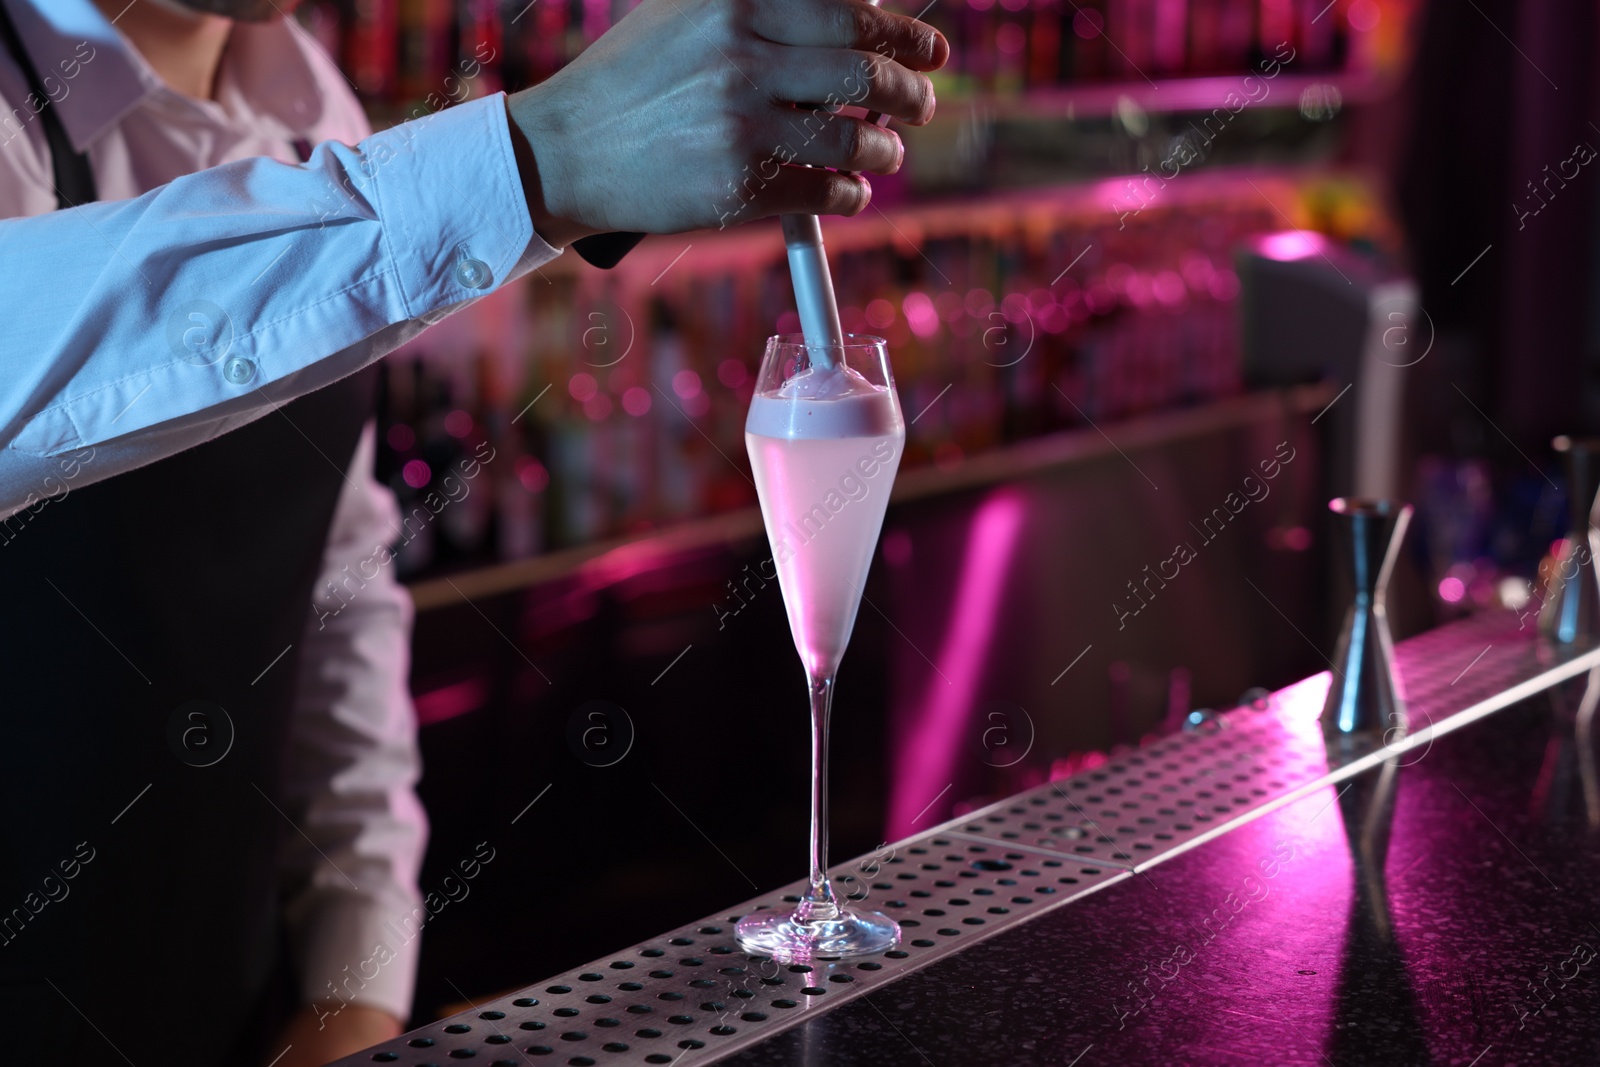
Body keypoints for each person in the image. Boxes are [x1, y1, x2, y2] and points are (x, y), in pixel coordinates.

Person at [0, 1, 946, 1065]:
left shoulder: (302, 94)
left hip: (228, 993)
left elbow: (337, 588)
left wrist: (352, 990)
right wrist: (541, 159)